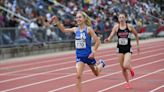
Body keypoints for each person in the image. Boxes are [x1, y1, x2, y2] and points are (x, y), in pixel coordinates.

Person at [50, 11, 105, 92]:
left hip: (89, 56)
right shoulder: (75, 29)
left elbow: (97, 41)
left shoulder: (88, 29)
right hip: (80, 57)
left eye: (80, 17)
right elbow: (64, 30)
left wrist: (93, 52)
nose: (78, 19)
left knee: (96, 73)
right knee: (78, 76)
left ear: (84, 18)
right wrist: (57, 22)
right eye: (77, 17)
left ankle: (101, 64)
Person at [104, 12, 140, 88]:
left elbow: (136, 35)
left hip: (128, 48)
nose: (121, 19)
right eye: (120, 18)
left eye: (123, 17)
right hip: (119, 49)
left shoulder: (129, 26)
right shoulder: (116, 27)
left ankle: (130, 68)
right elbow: (111, 35)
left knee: (126, 64)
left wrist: (138, 45)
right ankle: (128, 83)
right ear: (118, 19)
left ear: (125, 18)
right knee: (123, 68)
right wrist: (108, 39)